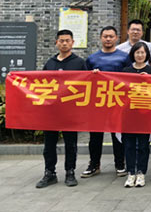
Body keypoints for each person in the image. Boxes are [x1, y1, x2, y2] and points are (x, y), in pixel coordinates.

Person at [36, 30, 87, 189]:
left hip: (70, 111)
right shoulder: (50, 63)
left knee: (70, 143)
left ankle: (70, 172)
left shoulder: (79, 63)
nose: (64, 43)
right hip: (52, 111)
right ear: (56, 43)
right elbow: (41, 83)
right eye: (61, 40)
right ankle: (49, 172)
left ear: (72, 42)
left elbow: (87, 85)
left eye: (67, 40)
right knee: (49, 144)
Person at [82, 26, 129, 178]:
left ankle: (120, 164)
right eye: (105, 36)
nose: (108, 39)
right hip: (98, 103)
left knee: (118, 136)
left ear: (117, 38)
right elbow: (84, 81)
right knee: (95, 136)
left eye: (111, 36)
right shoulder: (92, 59)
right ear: (100, 38)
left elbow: (129, 78)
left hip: (117, 102)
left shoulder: (124, 57)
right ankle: (94, 164)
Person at [122, 42, 151, 188]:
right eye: (137, 52)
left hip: (145, 114)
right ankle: (131, 173)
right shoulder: (126, 71)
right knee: (129, 145)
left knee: (143, 145)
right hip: (129, 114)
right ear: (133, 54)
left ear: (147, 54)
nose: (140, 55)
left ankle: (141, 173)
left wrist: (149, 78)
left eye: (143, 52)